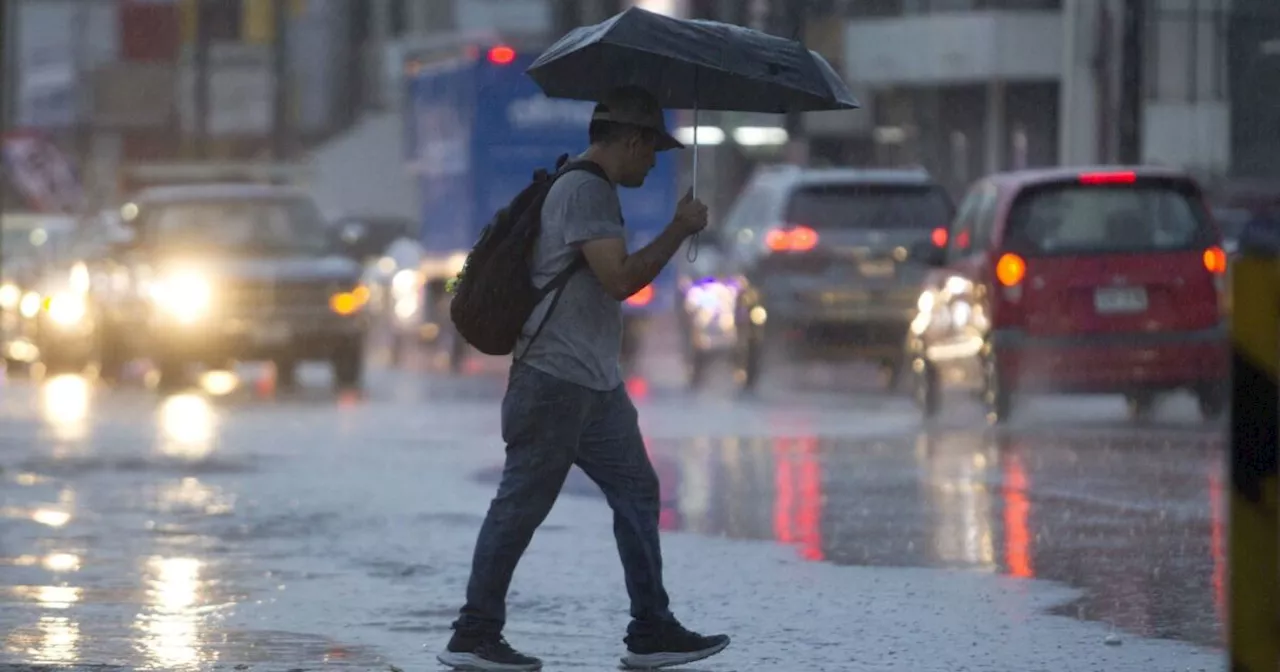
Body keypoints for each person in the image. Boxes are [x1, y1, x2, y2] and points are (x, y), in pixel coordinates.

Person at [436, 86, 730, 671]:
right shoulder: (586, 191)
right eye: (652, 151)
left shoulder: (585, 188)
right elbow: (620, 279)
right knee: (520, 505)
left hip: (594, 385)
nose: (654, 162)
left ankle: (651, 629)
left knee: (638, 492)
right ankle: (473, 634)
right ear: (630, 140)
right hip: (554, 381)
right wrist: (677, 229)